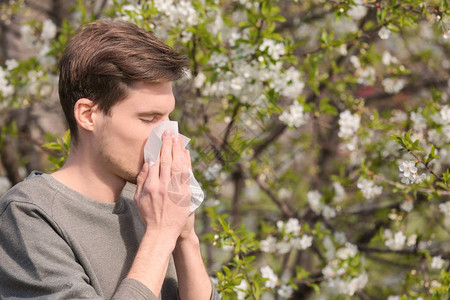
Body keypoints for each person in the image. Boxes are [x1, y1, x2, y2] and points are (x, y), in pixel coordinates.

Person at [0, 19, 220, 300]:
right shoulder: (28, 215)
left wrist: (184, 236)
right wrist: (161, 233)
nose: (169, 137)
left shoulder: (147, 202)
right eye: (149, 118)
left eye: (168, 117)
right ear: (88, 116)